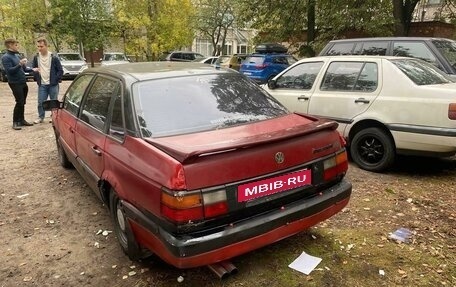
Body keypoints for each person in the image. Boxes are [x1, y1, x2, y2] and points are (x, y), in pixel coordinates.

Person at [1, 38, 35, 130]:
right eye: (16, 45)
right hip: (15, 83)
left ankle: (22, 120)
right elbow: (9, 71)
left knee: (23, 102)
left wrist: (33, 69)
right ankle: (15, 122)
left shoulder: (17, 56)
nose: (17, 46)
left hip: (22, 82)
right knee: (19, 101)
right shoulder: (6, 57)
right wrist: (19, 64)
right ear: (10, 45)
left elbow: (24, 69)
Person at [32, 37, 63, 124]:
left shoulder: (53, 57)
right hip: (42, 84)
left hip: (53, 84)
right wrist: (36, 76)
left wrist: (56, 80)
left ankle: (53, 116)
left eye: (41, 46)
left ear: (46, 46)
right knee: (41, 101)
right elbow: (33, 68)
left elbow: (60, 70)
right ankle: (41, 117)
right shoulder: (36, 57)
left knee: (53, 101)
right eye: (38, 46)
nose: (39, 48)